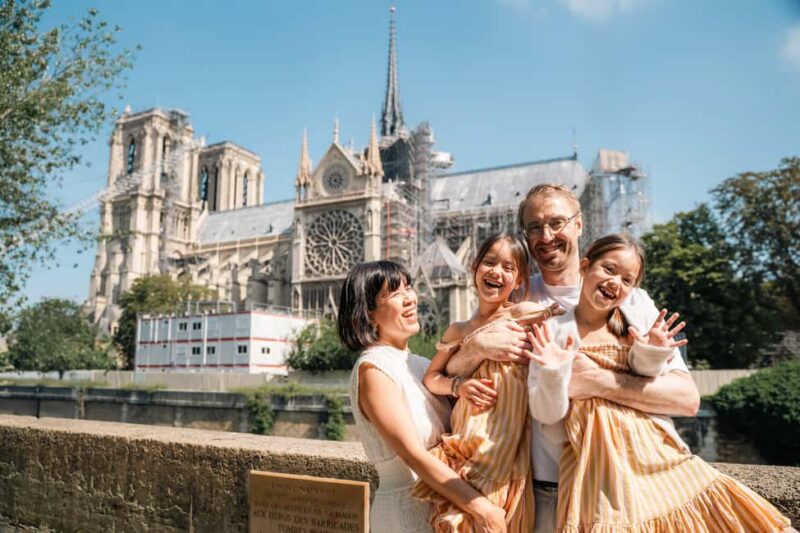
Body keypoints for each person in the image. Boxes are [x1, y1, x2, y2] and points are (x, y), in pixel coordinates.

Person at [445, 184, 701, 531]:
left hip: (622, 488)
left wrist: (598, 381)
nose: (546, 236)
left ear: (579, 224)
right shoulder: (515, 293)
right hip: (539, 492)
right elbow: (453, 371)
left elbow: (686, 399)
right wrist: (476, 347)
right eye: (534, 227)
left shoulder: (631, 300)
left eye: (556, 223)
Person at [528, 233, 791, 531]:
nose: (616, 282)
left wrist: (653, 351)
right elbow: (546, 414)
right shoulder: (553, 331)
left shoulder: (631, 324)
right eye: (609, 269)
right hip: (596, 468)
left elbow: (645, 379)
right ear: (585, 267)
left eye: (627, 280)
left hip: (654, 453)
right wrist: (552, 374)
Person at [341, 261, 507, 533]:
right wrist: (481, 508)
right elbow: (413, 455)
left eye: (409, 288)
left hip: (443, 509)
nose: (410, 299)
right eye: (394, 294)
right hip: (405, 513)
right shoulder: (373, 369)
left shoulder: (422, 365)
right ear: (369, 314)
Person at [412, 232, 560, 532]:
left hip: (501, 454)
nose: (496, 271)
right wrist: (458, 386)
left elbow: (567, 335)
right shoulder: (458, 330)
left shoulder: (523, 315)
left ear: (519, 282)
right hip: (463, 446)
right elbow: (432, 377)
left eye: (508, 267)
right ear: (474, 268)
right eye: (489, 262)